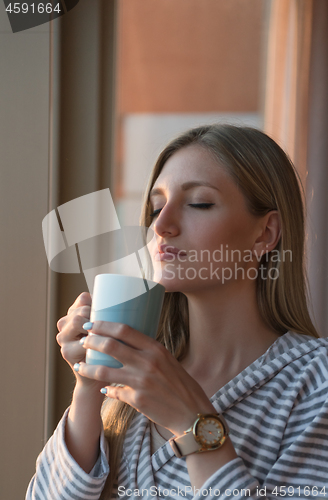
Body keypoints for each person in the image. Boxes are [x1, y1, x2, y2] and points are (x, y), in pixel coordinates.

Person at [26, 124, 328, 500]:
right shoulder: (136, 373)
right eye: (155, 207)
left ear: (265, 233)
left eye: (199, 203)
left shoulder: (317, 385)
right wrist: (90, 383)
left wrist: (195, 426)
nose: (161, 226)